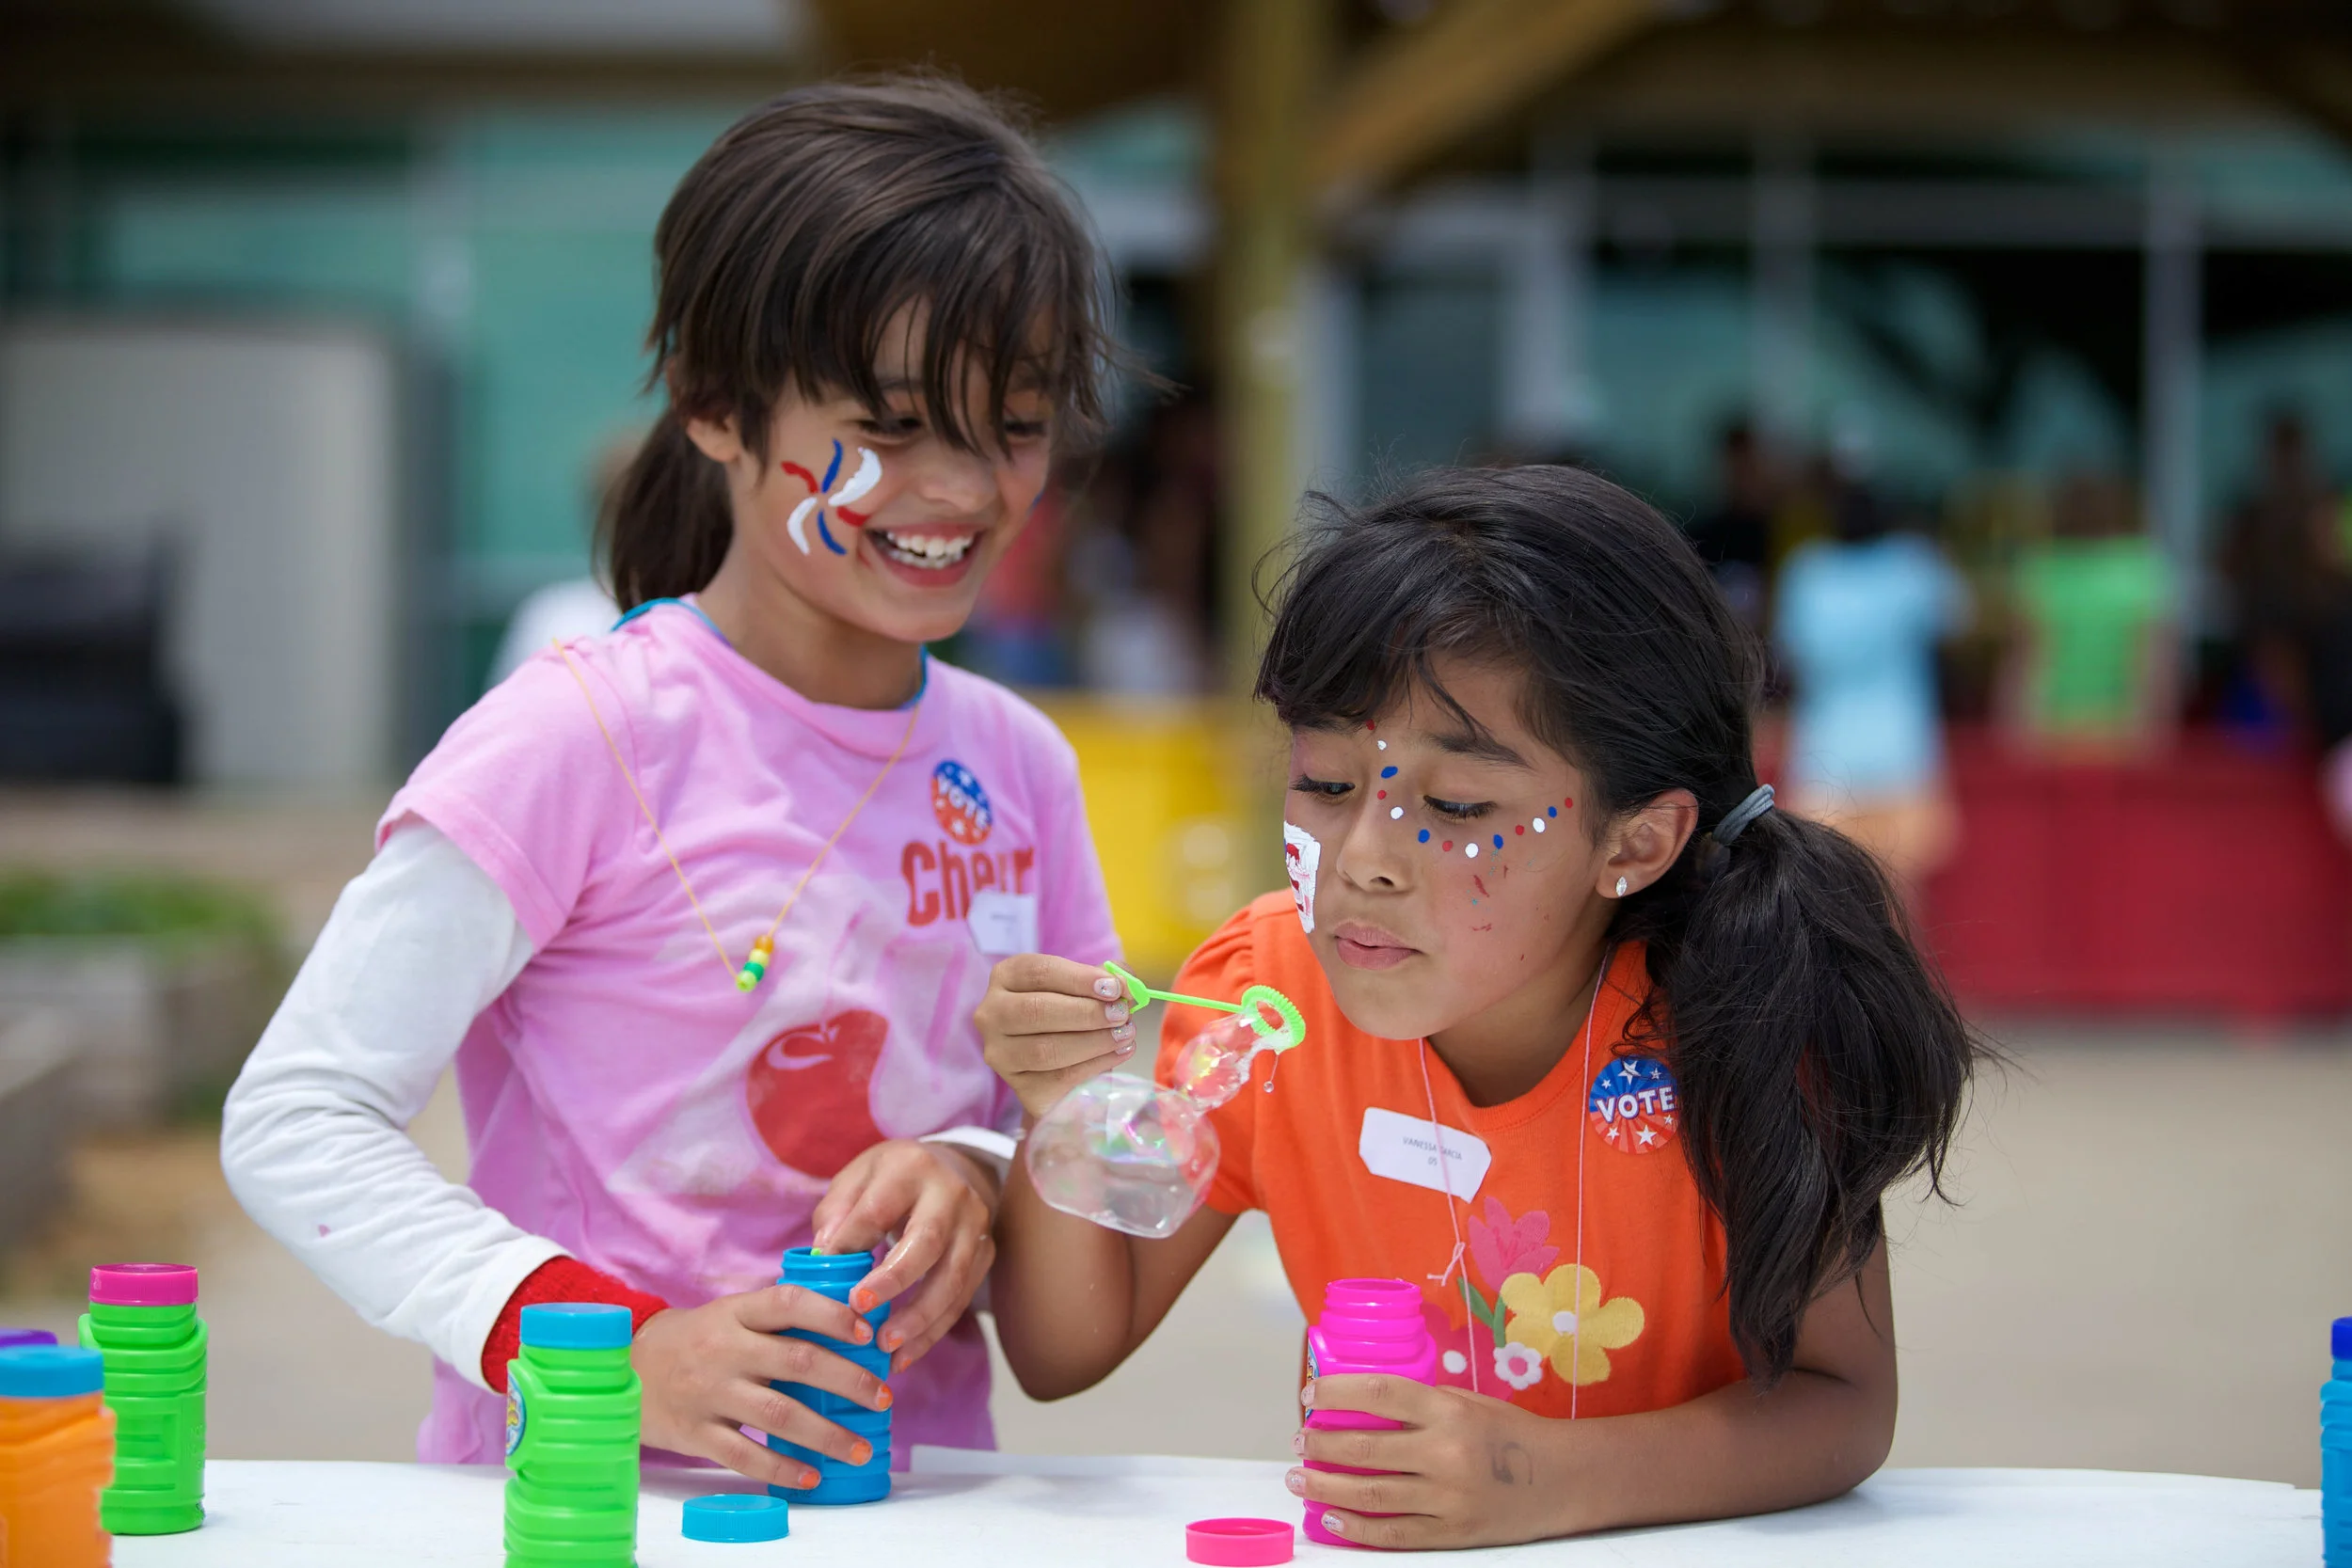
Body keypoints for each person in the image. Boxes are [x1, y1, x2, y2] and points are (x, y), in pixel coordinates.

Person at [220, 77, 1121, 1484]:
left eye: (1011, 422)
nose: (959, 490)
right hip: (580, 1506)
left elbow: (1056, 1145)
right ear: (714, 404)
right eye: (890, 425)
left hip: (911, 1505)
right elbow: (297, 1117)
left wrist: (976, 1169)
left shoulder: (1021, 765)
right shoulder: (575, 736)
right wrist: (610, 1348)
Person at [977, 466, 1981, 1550]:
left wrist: (1542, 1475)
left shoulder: (1745, 1017)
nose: (1363, 859)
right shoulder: (1264, 1001)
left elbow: (1841, 1397)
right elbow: (1062, 1350)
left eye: (1456, 804)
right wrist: (1058, 1100)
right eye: (1325, 782)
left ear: (1635, 840)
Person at [1774, 480, 1969, 900]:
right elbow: (1958, 628)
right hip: (1901, 755)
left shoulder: (1808, 574)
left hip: (1824, 759)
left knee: (1828, 901)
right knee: (1900, 896)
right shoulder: (1912, 565)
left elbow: (1789, 658)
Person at [2006, 472, 2178, 755]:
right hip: (2125, 729)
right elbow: (2154, 660)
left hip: (2054, 729)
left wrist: (2018, 728)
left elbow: (2026, 660)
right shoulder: (2141, 568)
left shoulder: (2042, 569)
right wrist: (2156, 725)